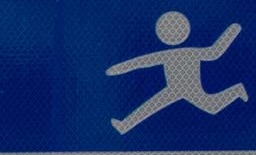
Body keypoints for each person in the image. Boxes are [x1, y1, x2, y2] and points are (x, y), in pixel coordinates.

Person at [106, 10, 247, 134]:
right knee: (151, 106)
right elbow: (141, 62)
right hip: (173, 89)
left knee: (212, 107)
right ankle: (124, 126)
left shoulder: (191, 53)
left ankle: (236, 90)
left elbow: (214, 52)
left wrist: (233, 30)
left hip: (190, 90)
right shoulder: (168, 54)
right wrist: (116, 69)